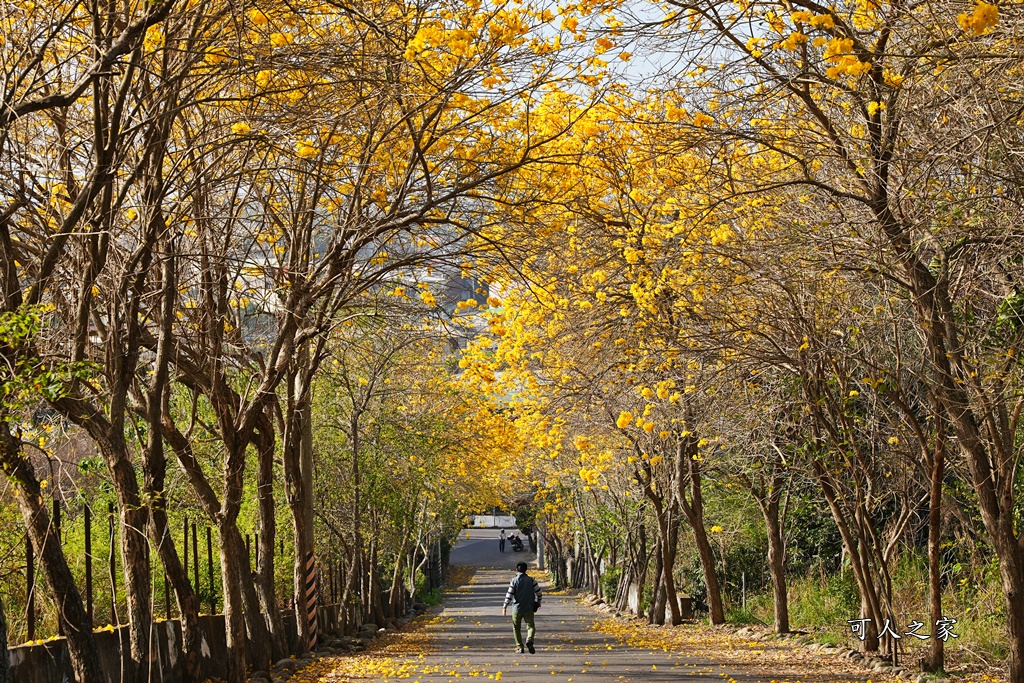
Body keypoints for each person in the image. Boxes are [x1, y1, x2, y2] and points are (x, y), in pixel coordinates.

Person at [502, 561, 542, 653]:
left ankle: (520, 647)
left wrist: (505, 606)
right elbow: (539, 592)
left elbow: (510, 594)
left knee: (516, 628)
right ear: (526, 570)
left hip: (517, 609)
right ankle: (529, 640)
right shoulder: (532, 580)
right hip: (529, 608)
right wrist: (539, 601)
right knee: (531, 626)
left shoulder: (514, 581)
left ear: (516, 570)